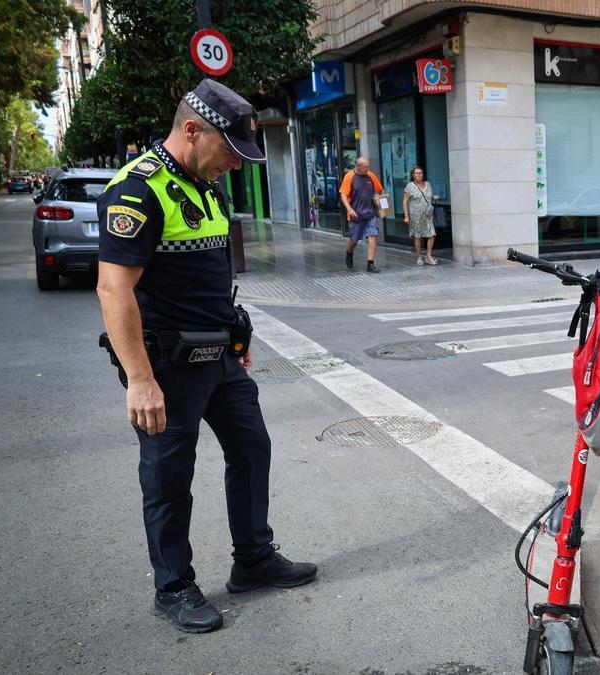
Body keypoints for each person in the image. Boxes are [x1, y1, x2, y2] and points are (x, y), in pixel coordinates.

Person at [96, 79, 317, 634]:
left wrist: (237, 337)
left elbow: (208, 279)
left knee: (252, 448)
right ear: (192, 130)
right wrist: (139, 380)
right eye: (230, 151)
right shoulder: (138, 190)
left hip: (220, 357)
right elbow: (114, 290)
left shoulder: (205, 185)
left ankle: (253, 559)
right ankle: (173, 585)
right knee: (169, 477)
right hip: (167, 368)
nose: (236, 165)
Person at [339, 156, 385, 273]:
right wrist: (350, 210)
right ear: (358, 166)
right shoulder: (350, 176)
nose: (368, 169)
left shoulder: (371, 175)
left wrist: (383, 204)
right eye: (365, 167)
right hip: (356, 215)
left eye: (368, 166)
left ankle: (370, 264)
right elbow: (343, 195)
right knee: (354, 240)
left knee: (373, 237)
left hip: (370, 214)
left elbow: (380, 190)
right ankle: (349, 252)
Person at [402, 165, 438, 266]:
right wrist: (406, 216)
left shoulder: (428, 184)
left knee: (431, 234)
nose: (418, 175)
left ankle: (428, 256)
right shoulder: (410, 186)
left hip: (427, 215)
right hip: (415, 216)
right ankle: (418, 257)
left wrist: (433, 197)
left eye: (420, 173)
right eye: (416, 173)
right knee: (417, 236)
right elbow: (405, 201)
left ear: (423, 174)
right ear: (413, 175)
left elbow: (429, 196)